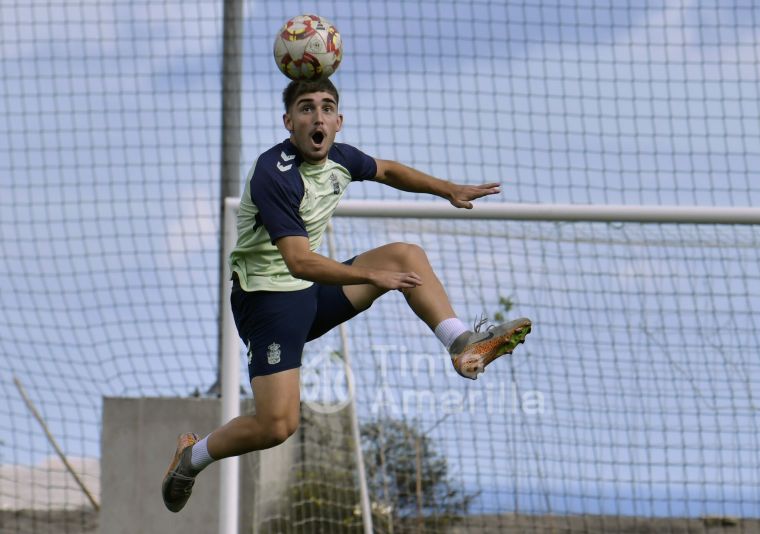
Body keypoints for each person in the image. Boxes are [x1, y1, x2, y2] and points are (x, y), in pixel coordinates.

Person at [162, 78, 532, 513]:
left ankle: (462, 345)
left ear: (338, 121)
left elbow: (389, 170)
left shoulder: (341, 158)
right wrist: (372, 276)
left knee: (406, 257)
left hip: (310, 292)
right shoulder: (273, 174)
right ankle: (192, 459)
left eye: (326, 107)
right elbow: (298, 261)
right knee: (278, 424)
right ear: (288, 122)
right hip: (267, 306)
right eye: (305, 108)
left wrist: (447, 188)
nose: (317, 116)